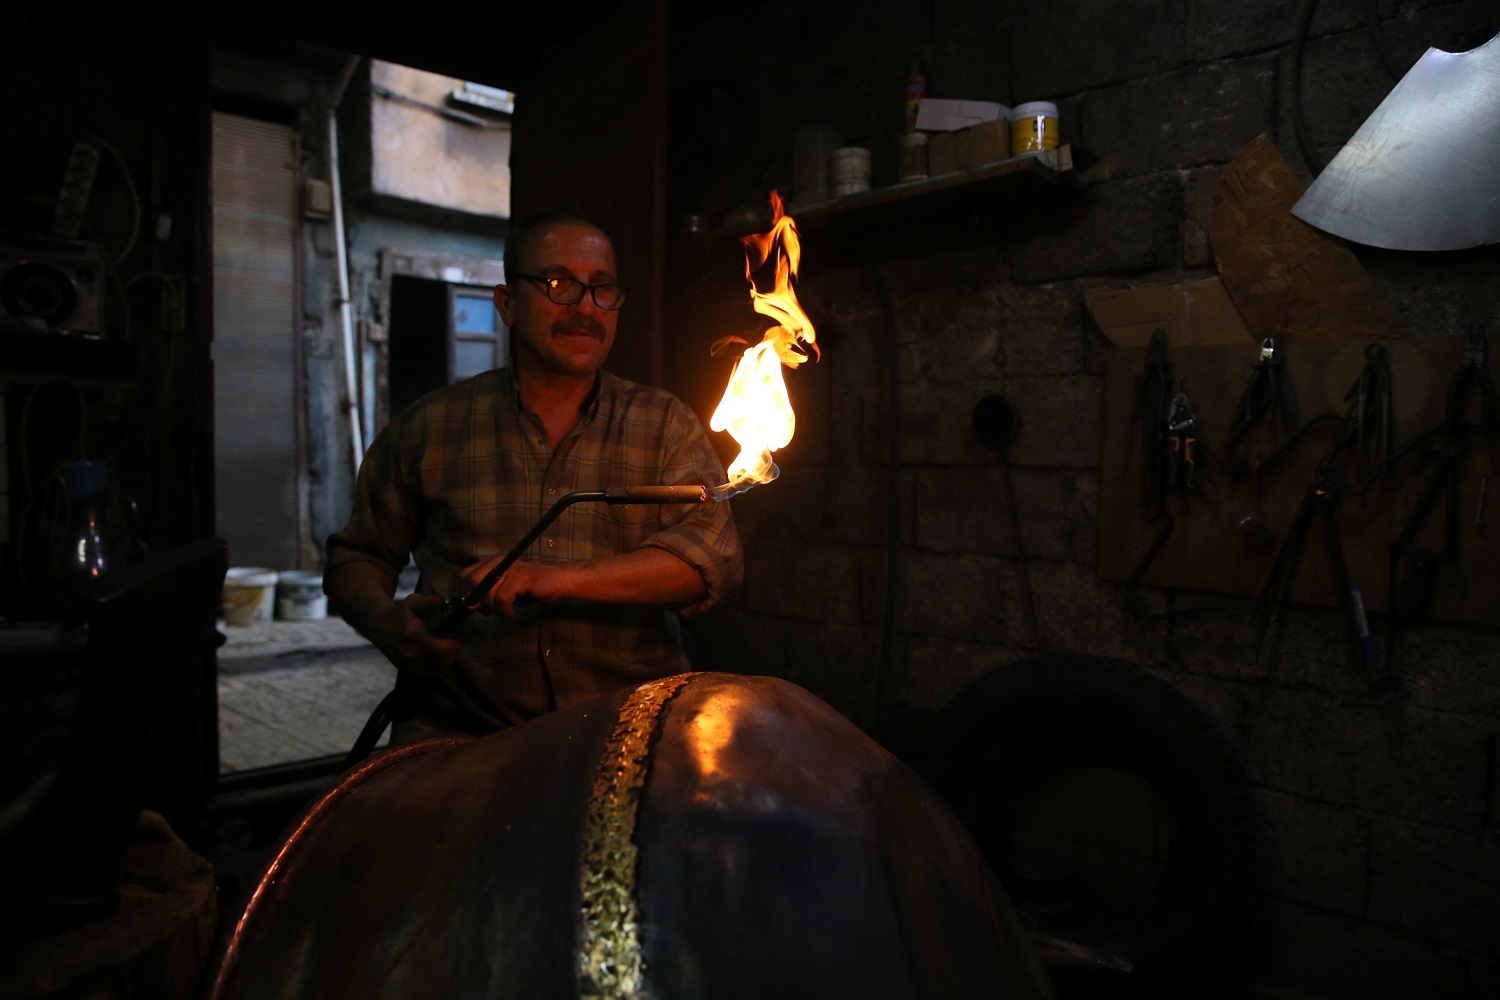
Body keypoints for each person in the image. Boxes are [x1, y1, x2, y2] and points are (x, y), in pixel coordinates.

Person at [324, 210, 743, 743]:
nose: (585, 309)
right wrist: (384, 623)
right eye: (558, 284)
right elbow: (357, 556)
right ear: (506, 305)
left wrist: (548, 579)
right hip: (462, 731)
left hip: (625, 731)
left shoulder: (664, 424)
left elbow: (713, 560)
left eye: (601, 289)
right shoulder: (429, 427)